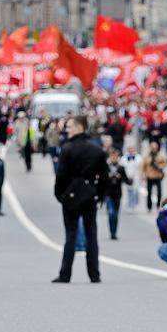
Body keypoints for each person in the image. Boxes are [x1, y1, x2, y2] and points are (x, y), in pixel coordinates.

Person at [53, 115, 109, 283]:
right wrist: (99, 194)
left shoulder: (67, 148)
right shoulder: (96, 149)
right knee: (91, 235)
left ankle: (65, 274)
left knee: (70, 235)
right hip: (90, 194)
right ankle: (94, 274)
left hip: (70, 195)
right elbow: (104, 176)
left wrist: (60, 195)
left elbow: (60, 175)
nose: (67, 130)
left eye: (69, 127)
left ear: (79, 127)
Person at [104, 149, 131, 240]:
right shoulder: (106, 167)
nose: (114, 158)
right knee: (111, 213)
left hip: (117, 194)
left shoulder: (121, 168)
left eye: (115, 157)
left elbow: (126, 180)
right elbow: (101, 179)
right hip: (108, 194)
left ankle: (114, 232)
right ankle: (111, 232)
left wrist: (123, 178)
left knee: (115, 214)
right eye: (112, 156)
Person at [141, 140, 167, 212]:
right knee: (149, 192)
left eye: (155, 147)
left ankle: (158, 206)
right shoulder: (147, 156)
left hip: (158, 176)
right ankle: (149, 207)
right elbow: (143, 166)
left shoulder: (160, 155)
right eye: (152, 147)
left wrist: (159, 166)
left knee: (159, 192)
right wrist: (143, 175)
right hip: (149, 176)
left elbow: (165, 163)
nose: (154, 149)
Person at [122, 144, 141, 211]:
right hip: (127, 176)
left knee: (135, 190)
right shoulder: (124, 158)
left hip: (136, 176)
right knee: (129, 190)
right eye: (130, 149)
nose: (131, 151)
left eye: (132, 149)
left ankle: (135, 203)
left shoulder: (138, 157)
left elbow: (139, 166)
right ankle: (130, 204)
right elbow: (122, 167)